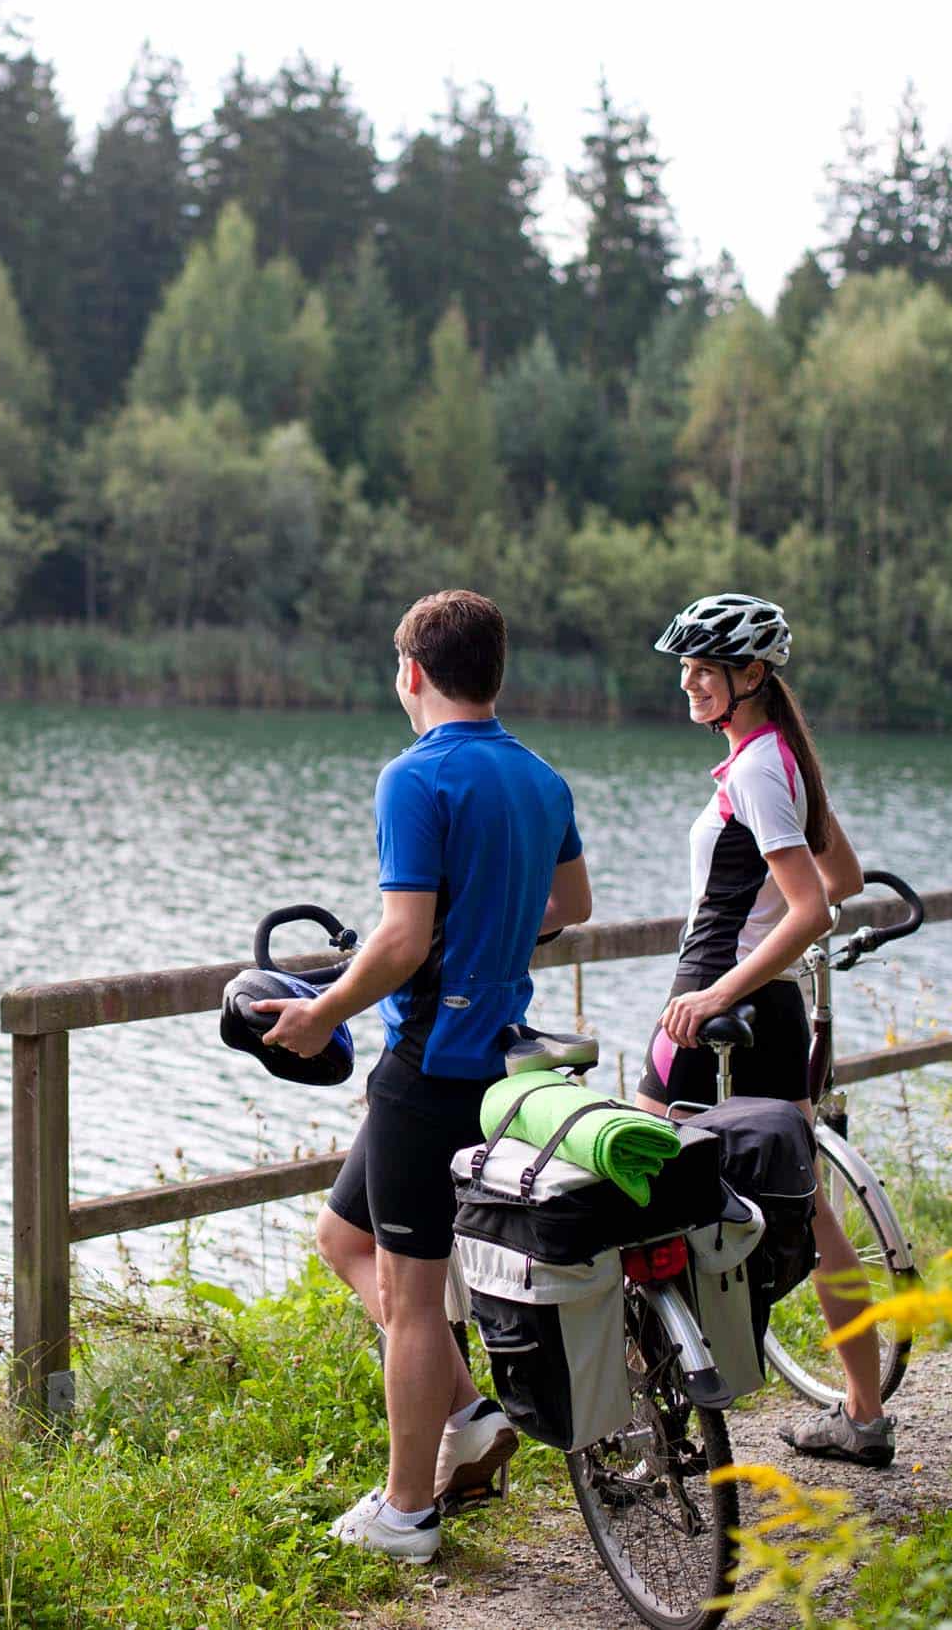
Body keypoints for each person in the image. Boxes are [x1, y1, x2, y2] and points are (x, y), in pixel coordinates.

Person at [255, 589, 593, 1563]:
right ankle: (471, 1415)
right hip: (498, 1062)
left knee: (411, 1295)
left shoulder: (414, 776)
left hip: (429, 1065)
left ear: (412, 671)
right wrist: (487, 922)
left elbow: (401, 939)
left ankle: (406, 1512)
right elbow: (570, 902)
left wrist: (322, 1010)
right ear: (493, 672)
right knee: (342, 1236)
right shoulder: (539, 777)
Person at [637, 592, 892, 1468]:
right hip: (775, 1013)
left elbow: (813, 906)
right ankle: (863, 1413)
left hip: (707, 1009)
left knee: (642, 1199)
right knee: (807, 1206)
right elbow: (843, 875)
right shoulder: (782, 758)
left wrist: (718, 988)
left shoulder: (754, 770)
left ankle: (662, 1428)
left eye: (704, 669)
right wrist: (762, 945)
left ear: (750, 674)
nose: (689, 683)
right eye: (685, 668)